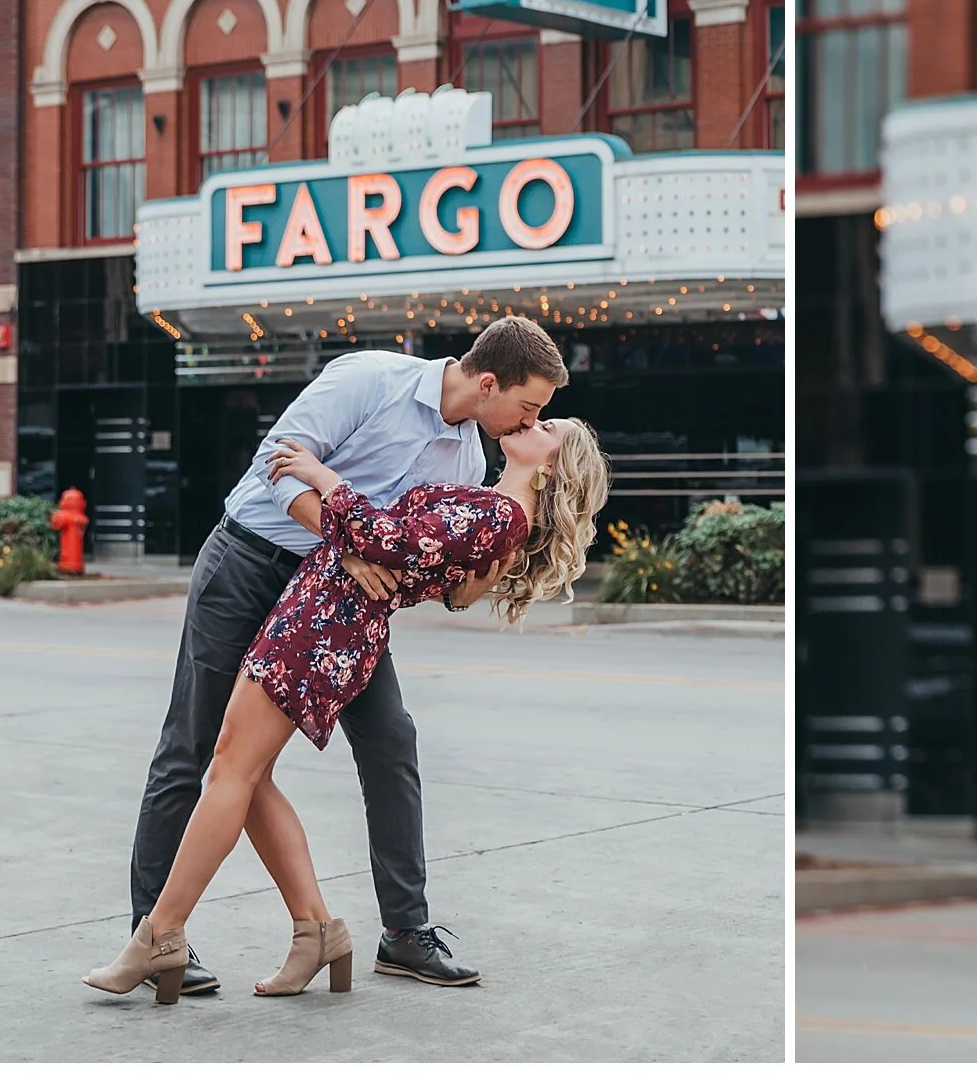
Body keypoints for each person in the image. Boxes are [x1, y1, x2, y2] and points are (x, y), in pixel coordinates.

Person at [86, 414, 609, 1002]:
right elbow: (419, 558)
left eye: (548, 426)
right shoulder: (492, 503)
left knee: (231, 770)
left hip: (325, 627)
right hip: (319, 615)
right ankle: (315, 932)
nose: (531, 420)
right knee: (245, 778)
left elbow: (392, 540)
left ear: (551, 466)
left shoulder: (503, 514)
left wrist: (321, 476)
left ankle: (159, 934)